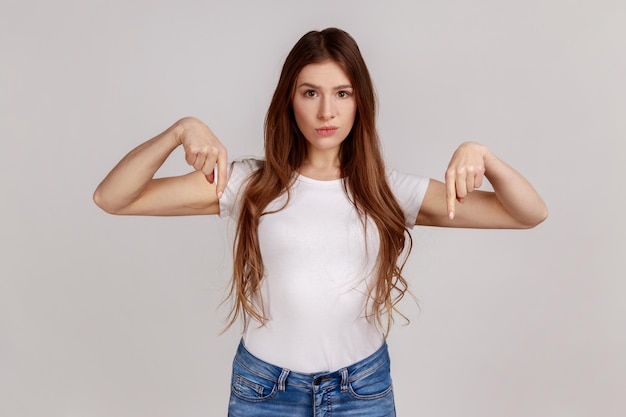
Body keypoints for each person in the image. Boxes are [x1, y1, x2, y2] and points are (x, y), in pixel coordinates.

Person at [93, 27, 547, 417]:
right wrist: (180, 130)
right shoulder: (249, 183)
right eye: (310, 92)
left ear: (359, 102)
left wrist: (481, 155)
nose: (326, 111)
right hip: (265, 391)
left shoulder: (387, 191)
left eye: (341, 93)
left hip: (361, 391)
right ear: (290, 99)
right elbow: (113, 197)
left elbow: (527, 213)